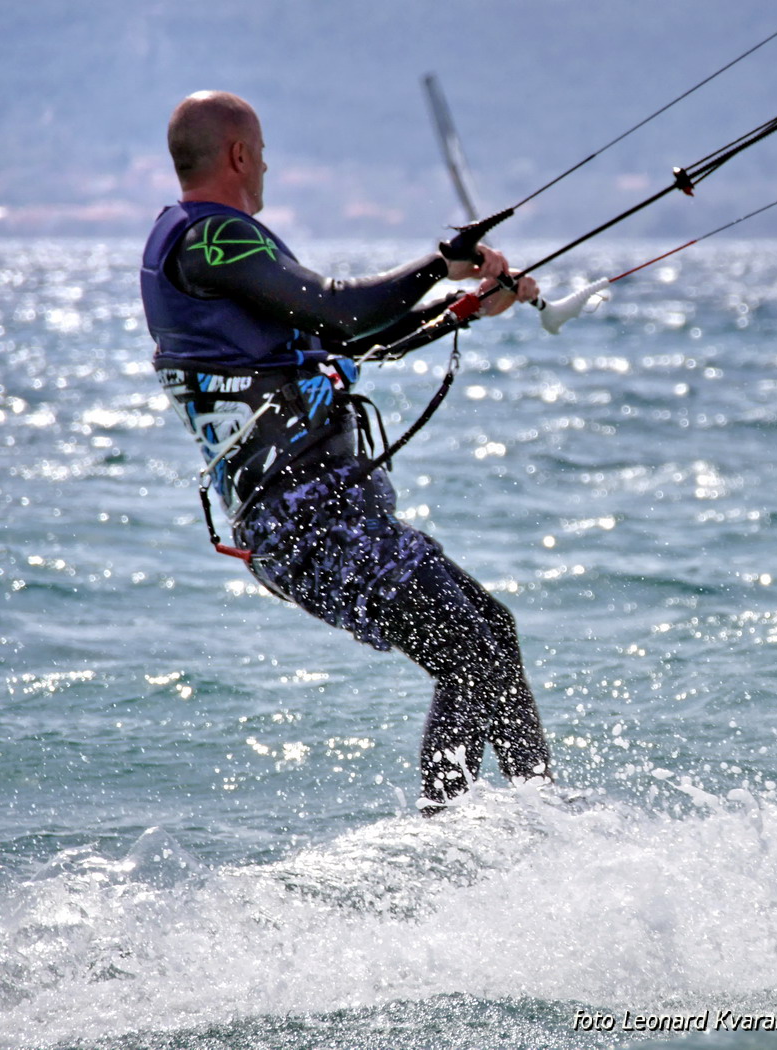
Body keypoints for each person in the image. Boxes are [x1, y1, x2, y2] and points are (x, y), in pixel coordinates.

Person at [140, 90, 552, 812]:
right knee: (472, 657)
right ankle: (488, 835)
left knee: (489, 635)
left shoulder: (214, 249)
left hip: (327, 517)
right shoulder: (213, 240)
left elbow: (348, 338)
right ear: (239, 155)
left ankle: (511, 823)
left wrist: (460, 309)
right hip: (310, 523)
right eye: (261, 152)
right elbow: (335, 305)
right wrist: (441, 263)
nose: (265, 165)